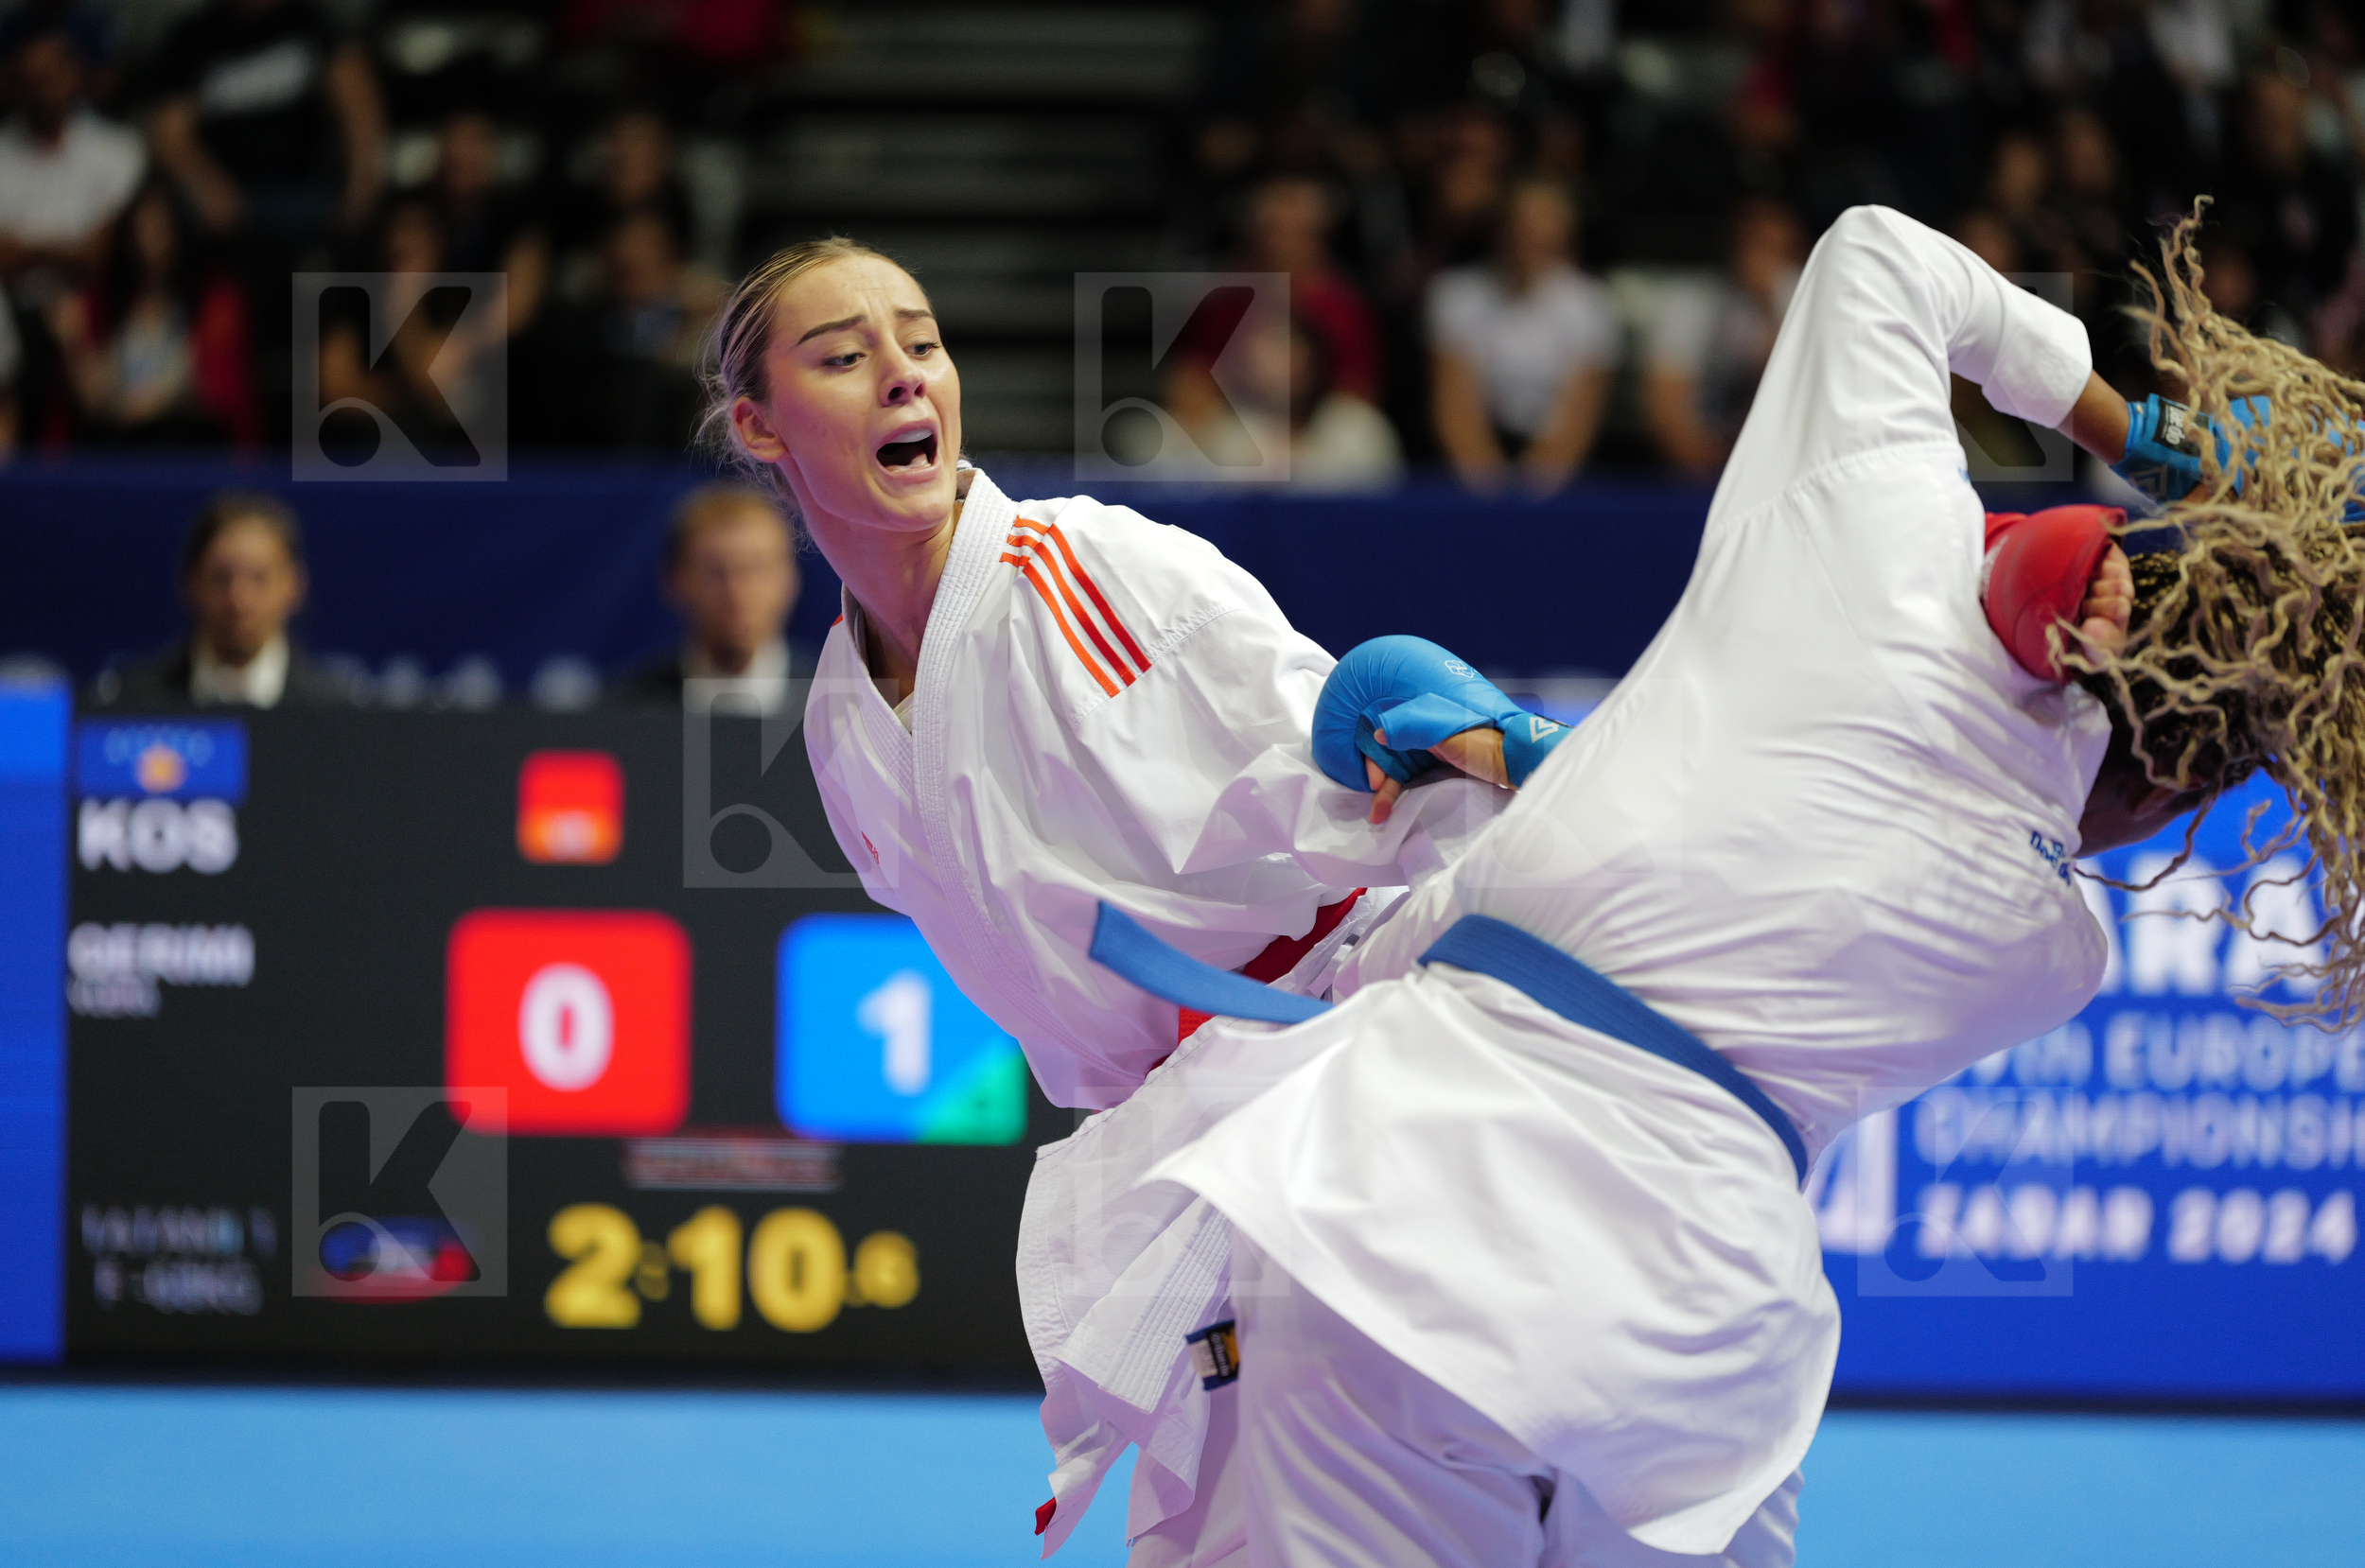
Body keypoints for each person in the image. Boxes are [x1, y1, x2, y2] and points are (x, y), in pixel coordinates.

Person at [1139, 202, 2365, 1565]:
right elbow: (1881, 797)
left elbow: (1882, 256)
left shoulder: (1870, 532)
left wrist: (2124, 430)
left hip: (1404, 1195)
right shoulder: (2053, 947)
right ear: (2183, 801)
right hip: (1695, 1334)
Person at [706, 236, 1508, 1563]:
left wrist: (1500, 754)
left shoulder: (1081, 569)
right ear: (759, 425)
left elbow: (1357, 753)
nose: (904, 375)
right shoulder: (845, 736)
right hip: (1181, 1146)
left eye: (921, 340)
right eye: (844, 358)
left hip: (1341, 1067)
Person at [1426, 176, 1619, 494]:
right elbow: (1455, 408)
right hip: (1476, 464)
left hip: (1558, 469)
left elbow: (1579, 415)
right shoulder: (1455, 295)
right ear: (1502, 226)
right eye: (1524, 223)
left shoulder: (1590, 305)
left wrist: (1533, 492)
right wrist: (1491, 490)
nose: (1533, 236)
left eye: (1546, 224)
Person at [91, 492, 354, 709]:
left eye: (259, 578)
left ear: (294, 587)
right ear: (190, 583)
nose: (239, 600)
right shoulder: (132, 701)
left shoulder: (335, 708)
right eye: (221, 578)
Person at [48, 182, 260, 446]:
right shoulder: (103, 302)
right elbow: (93, 401)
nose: (146, 242)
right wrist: (73, 342)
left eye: (158, 230)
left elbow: (214, 392)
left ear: (180, 233)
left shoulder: (216, 300)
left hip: (193, 445)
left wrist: (144, 409)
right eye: (138, 230)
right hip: (117, 447)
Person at [615, 480, 814, 712]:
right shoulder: (626, 714)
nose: (737, 592)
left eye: (756, 568)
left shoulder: (842, 711)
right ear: (676, 581)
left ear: (790, 579)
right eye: (716, 572)